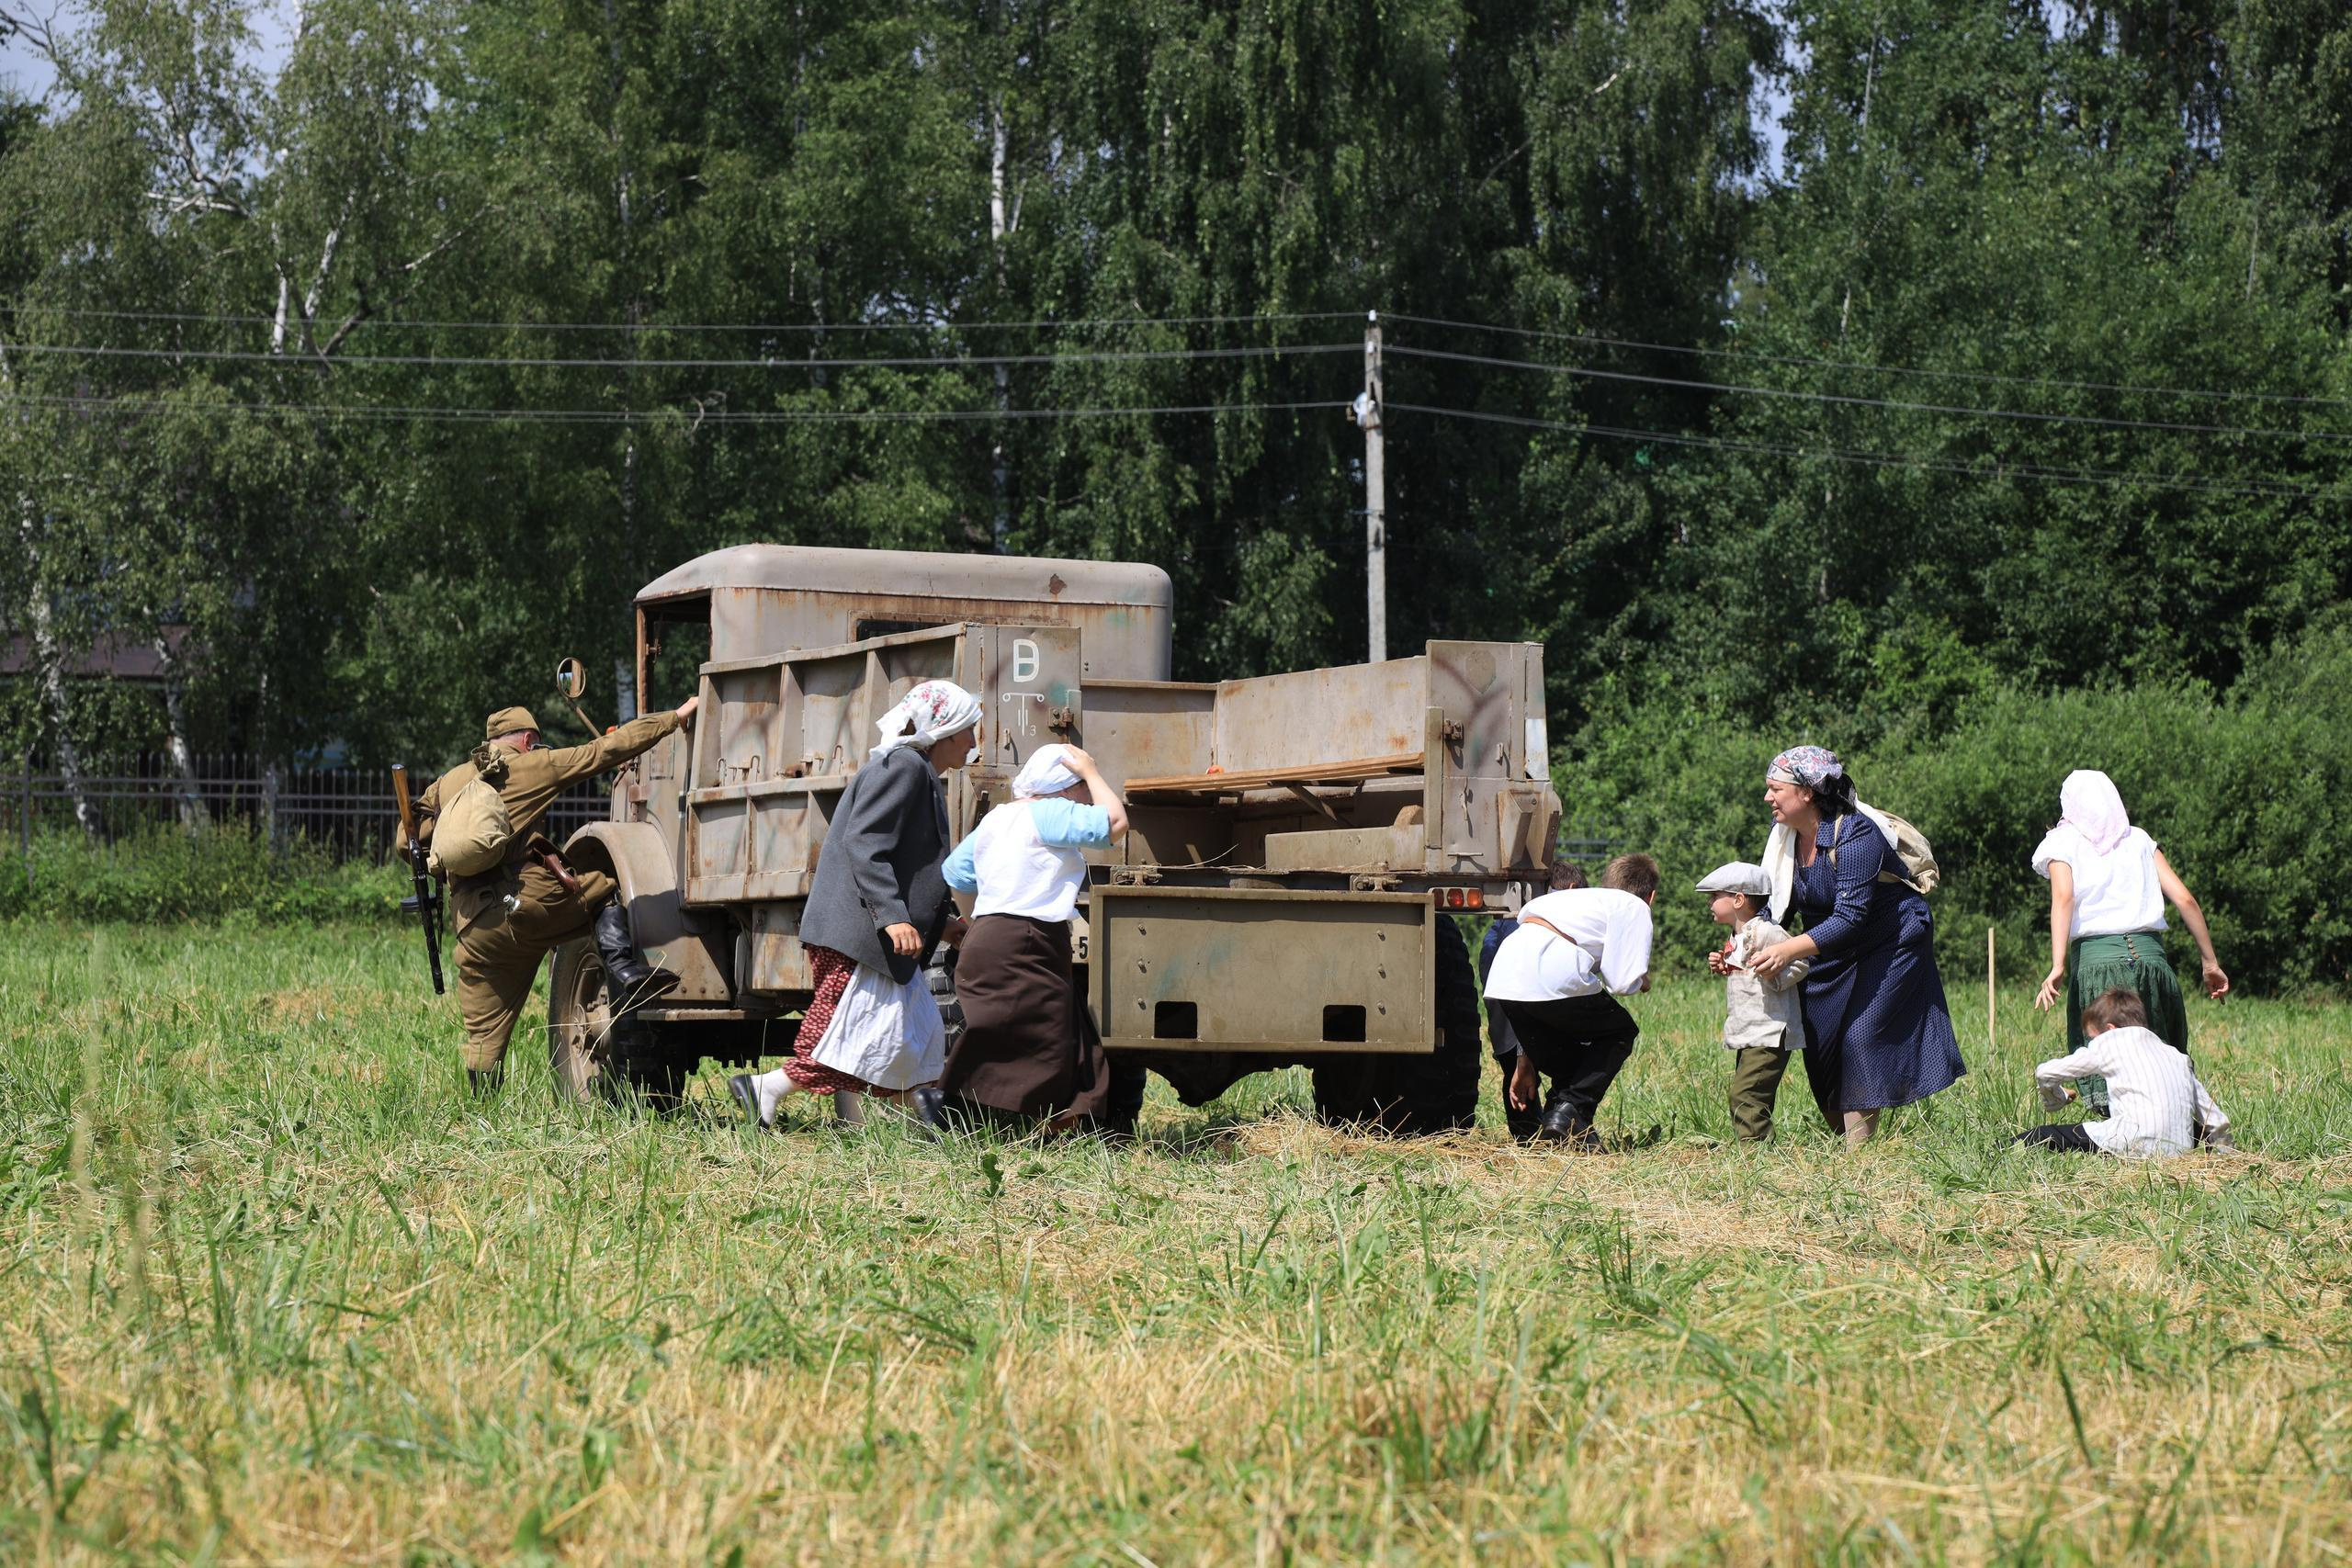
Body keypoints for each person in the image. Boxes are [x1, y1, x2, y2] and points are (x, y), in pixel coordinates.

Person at [729, 680, 980, 1129]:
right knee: (844, 1034)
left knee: (911, 1034)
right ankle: (767, 1088)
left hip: (873, 938)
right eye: (968, 729)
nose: (973, 741)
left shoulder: (917, 770)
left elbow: (909, 867)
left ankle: (924, 1118)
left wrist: (942, 924)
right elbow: (865, 843)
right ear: (944, 729)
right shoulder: (903, 767)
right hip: (859, 937)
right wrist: (893, 917)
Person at [417, 698, 699, 1098]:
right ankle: (624, 969)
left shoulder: (448, 783)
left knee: (484, 1037)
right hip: (528, 906)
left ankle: (482, 1113)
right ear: (527, 741)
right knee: (602, 887)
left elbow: (407, 841)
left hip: (474, 929)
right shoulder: (534, 765)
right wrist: (673, 717)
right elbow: (604, 751)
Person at [1749, 746, 1965, 1146]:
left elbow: (1850, 917)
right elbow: (1775, 909)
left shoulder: (1855, 833)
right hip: (1829, 942)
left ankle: (1859, 1155)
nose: (1767, 797)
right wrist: (1742, 946)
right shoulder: (1785, 840)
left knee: (1860, 1036)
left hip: (1891, 940)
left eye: (1775, 789)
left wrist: (1786, 950)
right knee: (1819, 1040)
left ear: (1807, 792)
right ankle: (1844, 1142)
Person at [936, 744, 1129, 1131]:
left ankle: (1065, 1121)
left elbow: (956, 872)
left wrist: (986, 904)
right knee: (1051, 1039)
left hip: (990, 935)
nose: (1088, 795)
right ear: (1066, 788)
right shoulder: (1051, 811)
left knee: (1060, 1031)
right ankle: (952, 1108)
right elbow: (1115, 824)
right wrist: (1091, 771)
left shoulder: (999, 817)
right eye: (1082, 787)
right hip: (1027, 938)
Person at [2031, 769, 2228, 1060]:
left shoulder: (2061, 842)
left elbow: (2064, 897)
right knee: (2161, 1066)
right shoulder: (2139, 840)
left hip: (2099, 970)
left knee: (2107, 1068)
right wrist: (2210, 962)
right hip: (2152, 965)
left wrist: (2058, 964)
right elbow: (2185, 899)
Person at [1482, 853, 1659, 1146]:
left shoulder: (1578, 901)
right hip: (1551, 970)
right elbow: (1622, 983)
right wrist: (1642, 980)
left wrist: (1524, 1061)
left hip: (1504, 977)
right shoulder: (1633, 906)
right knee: (1620, 1032)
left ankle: (1566, 1131)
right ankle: (1571, 1112)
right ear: (1650, 896)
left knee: (1574, 1062)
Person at [2014, 987, 2233, 1156]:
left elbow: (2045, 1073)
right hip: (2178, 1150)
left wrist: (2057, 1099)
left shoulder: (2112, 1042)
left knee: (2040, 1136)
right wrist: (2226, 1156)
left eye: (2093, 1037)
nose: (2093, 1043)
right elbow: (2215, 1119)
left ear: (2110, 1029)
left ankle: (2001, 1148)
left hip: (2131, 1143)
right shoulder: (2177, 1057)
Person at [1698, 862, 1811, 1143]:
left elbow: (1801, 963)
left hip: (1770, 1030)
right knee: (1753, 1094)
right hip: (1750, 1028)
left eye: (1715, 896)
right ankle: (1759, 1147)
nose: (1710, 903)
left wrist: (1775, 973)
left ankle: (1755, 1153)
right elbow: (1747, 972)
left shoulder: (1767, 932)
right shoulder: (1739, 936)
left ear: (1738, 899)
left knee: (1745, 1095)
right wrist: (1724, 965)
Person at [1479, 859, 1586, 1141]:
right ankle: (1555, 1128)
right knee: (1557, 1061)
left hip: (1499, 981)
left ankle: (1529, 1136)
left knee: (1512, 1063)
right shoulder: (1554, 921)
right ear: (1571, 889)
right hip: (1525, 993)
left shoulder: (1512, 918)